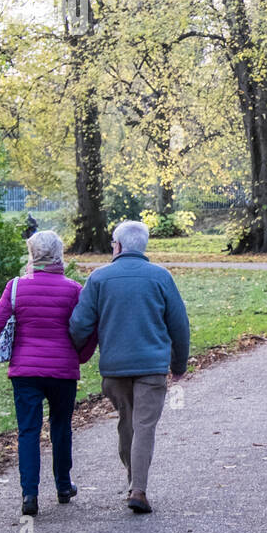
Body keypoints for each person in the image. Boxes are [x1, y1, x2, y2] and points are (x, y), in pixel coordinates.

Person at [69, 220, 190, 514]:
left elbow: (79, 324)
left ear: (118, 246)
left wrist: (77, 348)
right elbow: (179, 324)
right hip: (151, 367)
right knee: (144, 426)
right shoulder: (161, 277)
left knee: (127, 423)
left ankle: (133, 483)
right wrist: (179, 363)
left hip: (115, 368)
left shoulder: (99, 279)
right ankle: (138, 489)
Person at [0, 230, 95, 517]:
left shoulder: (17, 287)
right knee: (61, 427)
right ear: (59, 254)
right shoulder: (73, 289)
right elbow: (87, 327)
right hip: (62, 371)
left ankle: (29, 495)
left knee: (29, 431)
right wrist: (79, 357)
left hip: (26, 371)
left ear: (32, 254)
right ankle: (62, 486)